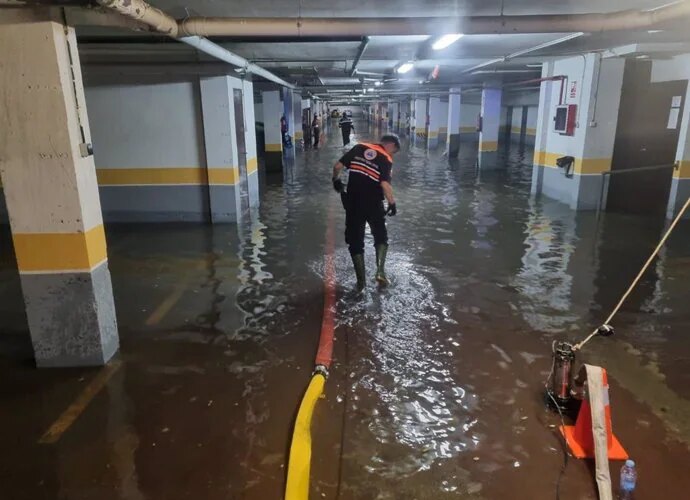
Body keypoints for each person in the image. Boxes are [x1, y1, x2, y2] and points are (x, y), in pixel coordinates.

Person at [331, 134, 401, 291]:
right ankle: (380, 272)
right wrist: (392, 202)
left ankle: (360, 283)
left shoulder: (359, 147)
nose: (392, 155)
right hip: (373, 203)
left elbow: (337, 167)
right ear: (391, 145)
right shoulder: (385, 158)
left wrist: (336, 180)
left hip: (353, 202)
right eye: (394, 152)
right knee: (380, 235)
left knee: (355, 241)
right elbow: (384, 183)